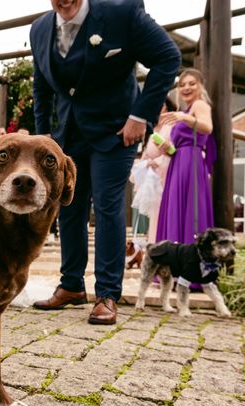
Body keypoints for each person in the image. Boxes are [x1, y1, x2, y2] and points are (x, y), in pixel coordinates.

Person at [30, 0, 181, 325]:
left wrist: (140, 116)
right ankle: (71, 286)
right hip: (68, 136)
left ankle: (107, 294)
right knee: (68, 206)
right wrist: (43, 139)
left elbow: (168, 58)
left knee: (108, 205)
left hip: (116, 132)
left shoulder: (121, 13)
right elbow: (41, 86)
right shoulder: (39, 28)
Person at [155, 68, 216, 277]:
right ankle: (176, 269)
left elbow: (207, 127)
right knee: (176, 211)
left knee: (191, 211)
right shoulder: (187, 108)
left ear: (200, 86)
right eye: (182, 84)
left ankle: (193, 272)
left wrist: (184, 117)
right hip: (178, 161)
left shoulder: (198, 105)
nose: (186, 87)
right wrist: (167, 148)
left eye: (191, 83)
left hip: (192, 163)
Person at [131, 97, 177, 243]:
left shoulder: (172, 126)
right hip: (153, 180)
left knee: (166, 216)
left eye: (161, 105)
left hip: (166, 177)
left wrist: (157, 161)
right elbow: (145, 155)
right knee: (154, 218)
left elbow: (175, 151)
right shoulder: (152, 130)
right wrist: (145, 163)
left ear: (167, 107)